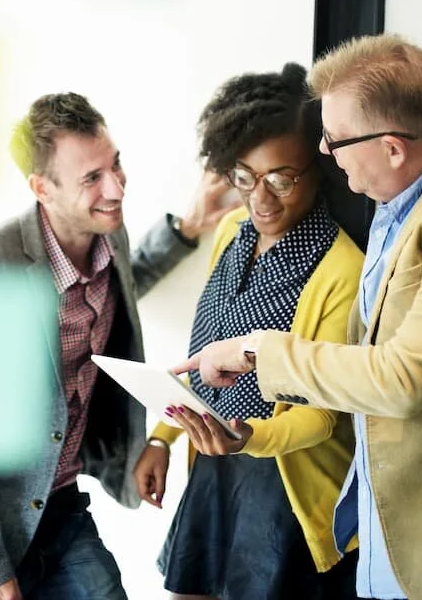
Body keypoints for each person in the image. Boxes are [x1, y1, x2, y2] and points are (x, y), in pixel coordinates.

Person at [175, 34, 422, 599]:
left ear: (390, 147)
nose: (326, 153)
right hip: (385, 514)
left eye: (334, 141)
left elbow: (402, 377)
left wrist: (253, 350)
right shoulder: (408, 188)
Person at [0, 92, 238, 600]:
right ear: (42, 187)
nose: (116, 187)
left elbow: (122, 283)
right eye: (92, 178)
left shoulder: (109, 234)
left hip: (61, 509)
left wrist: (187, 227)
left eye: (116, 164)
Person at [132, 63, 364, 600]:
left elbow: (323, 418)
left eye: (281, 178)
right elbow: (201, 357)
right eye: (244, 177)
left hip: (283, 489)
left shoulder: (340, 272)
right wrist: (163, 437)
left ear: (318, 167)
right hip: (215, 467)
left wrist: (248, 438)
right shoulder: (233, 230)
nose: (260, 198)